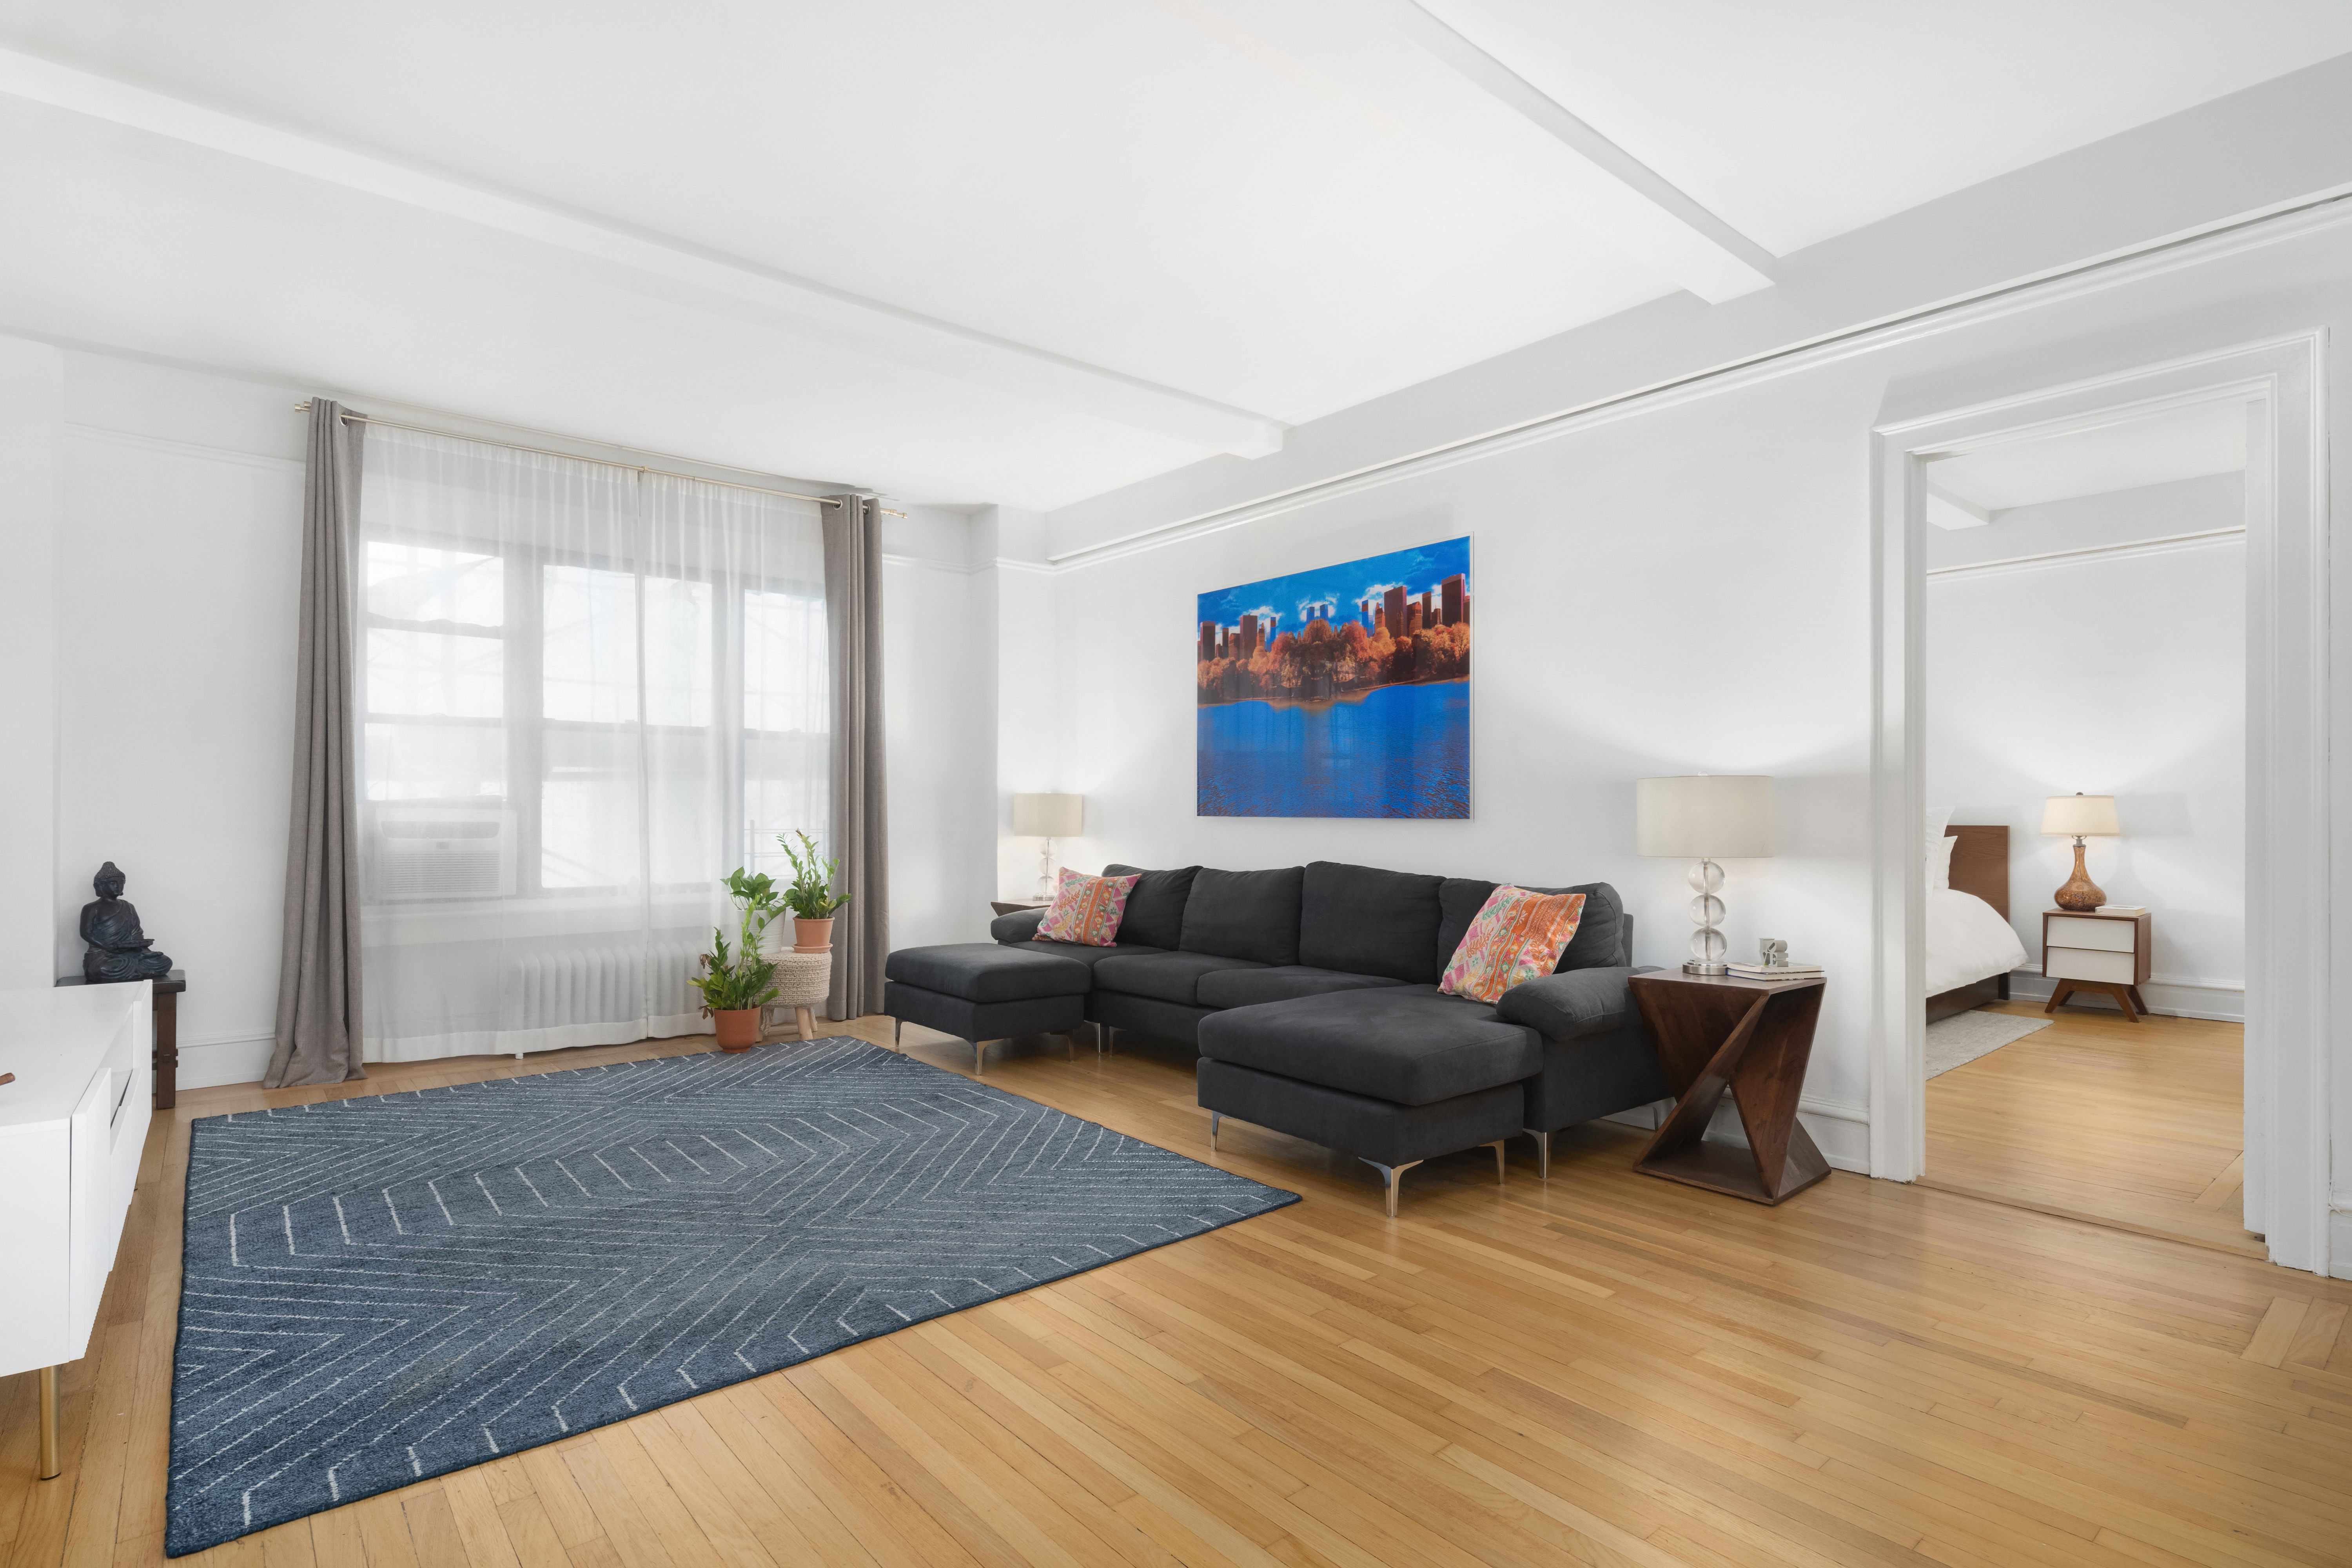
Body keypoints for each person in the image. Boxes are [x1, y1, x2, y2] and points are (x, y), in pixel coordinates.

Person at [80, 862, 173, 982]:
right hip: (104, 955)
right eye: (113, 883)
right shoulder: (92, 908)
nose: (118, 886)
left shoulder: (129, 907)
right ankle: (136, 969)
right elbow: (86, 934)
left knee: (164, 962)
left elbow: (136, 931)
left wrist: (138, 947)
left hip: (130, 953)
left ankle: (135, 966)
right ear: (101, 886)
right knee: (102, 969)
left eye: (121, 883)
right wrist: (109, 948)